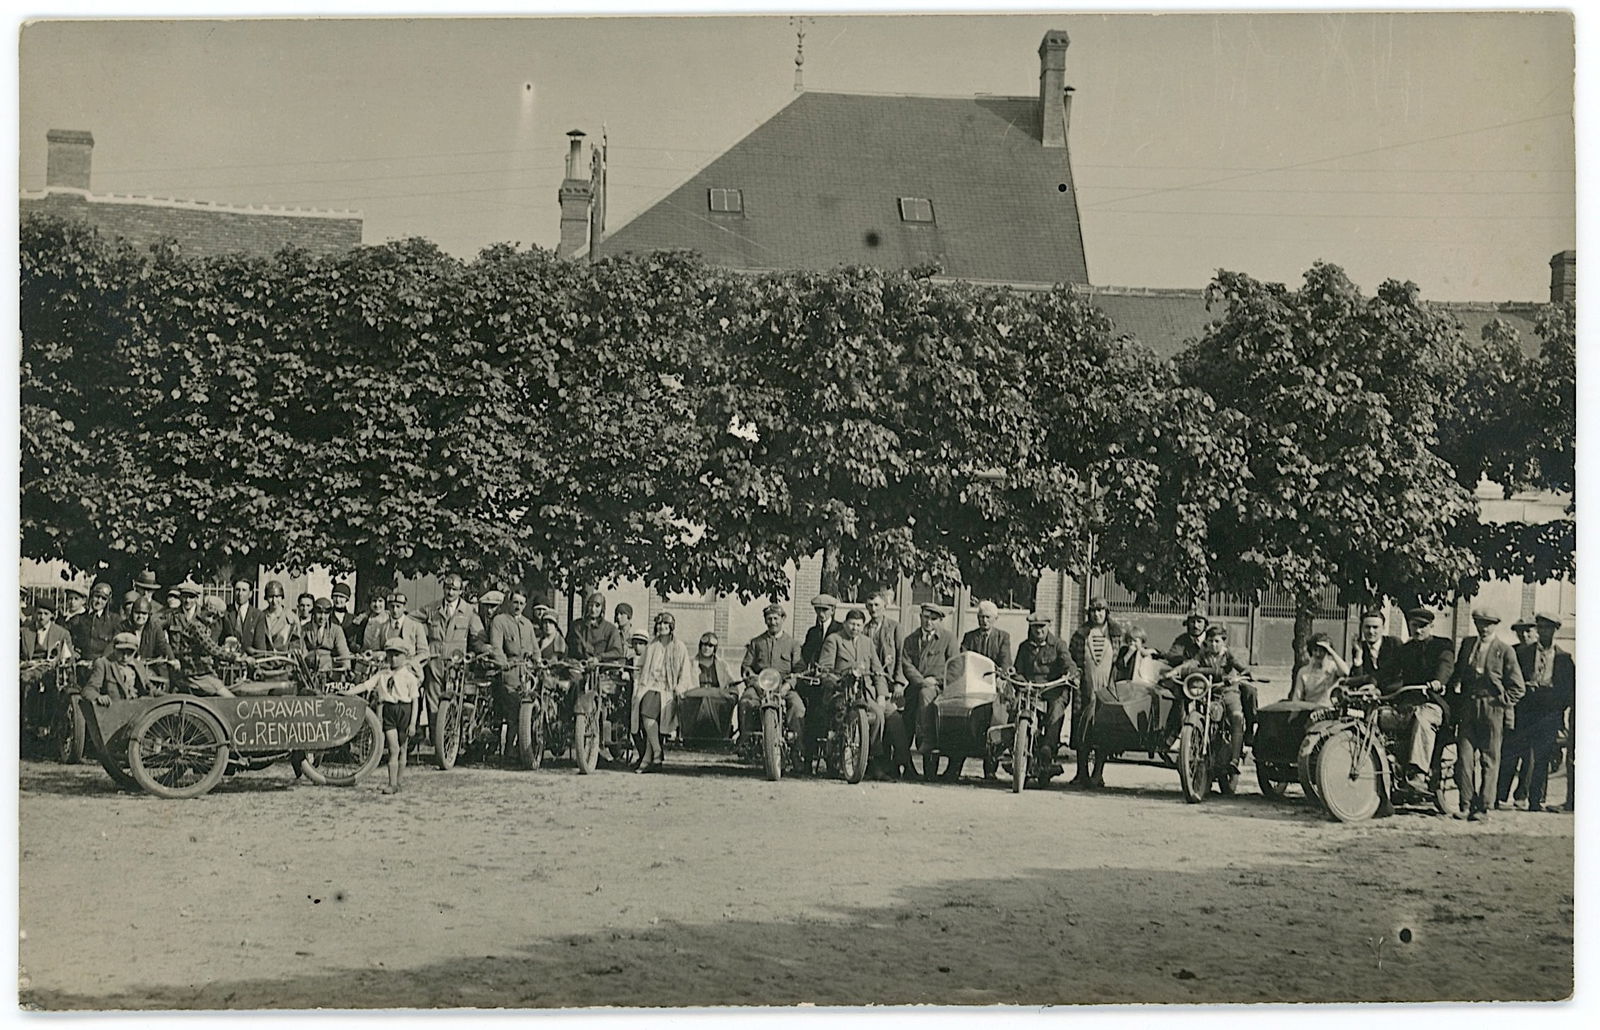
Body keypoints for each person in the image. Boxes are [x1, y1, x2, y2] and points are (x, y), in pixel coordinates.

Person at [1446, 608, 1525, 821]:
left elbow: (1518, 687)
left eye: (1488, 623)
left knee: (1489, 759)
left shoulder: (1505, 650)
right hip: (1468, 706)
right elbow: (1456, 675)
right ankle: (1465, 804)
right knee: (1464, 757)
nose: (1483, 628)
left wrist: (1500, 702)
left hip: (1492, 708)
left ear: (1495, 625)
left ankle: (1485, 807)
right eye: (1480, 623)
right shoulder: (1468, 645)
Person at [818, 607, 900, 779]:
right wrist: (838, 681)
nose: (855, 628)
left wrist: (881, 695)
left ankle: (874, 762)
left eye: (858, 625)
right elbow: (824, 670)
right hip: (841, 691)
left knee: (878, 714)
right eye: (852, 624)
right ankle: (838, 758)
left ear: (863, 626)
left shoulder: (867, 642)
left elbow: (878, 671)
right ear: (845, 624)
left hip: (865, 693)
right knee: (841, 716)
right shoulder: (834, 640)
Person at [1167, 625, 1250, 776]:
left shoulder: (1228, 655)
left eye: (1217, 641)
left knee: (1236, 717)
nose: (1213, 645)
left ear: (1224, 642)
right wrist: (1173, 672)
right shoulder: (1203, 654)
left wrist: (1241, 674)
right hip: (1209, 692)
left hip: (1229, 692)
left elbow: (1241, 667)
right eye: (1210, 641)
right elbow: (1190, 664)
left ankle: (1235, 760)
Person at [344, 637, 422, 795]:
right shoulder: (382, 675)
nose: (393, 659)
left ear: (405, 656)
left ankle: (398, 782)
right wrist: (347, 693)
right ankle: (392, 783)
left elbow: (415, 701)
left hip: (404, 710)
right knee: (393, 748)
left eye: (397, 655)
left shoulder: (409, 677)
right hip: (389, 711)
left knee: (403, 748)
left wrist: (413, 723)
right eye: (390, 655)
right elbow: (365, 685)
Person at [1513, 613, 1573, 813]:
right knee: (1520, 751)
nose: (1543, 632)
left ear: (1555, 630)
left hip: (1549, 713)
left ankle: (1535, 800)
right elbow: (1515, 679)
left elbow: (1568, 691)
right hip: (1527, 710)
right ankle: (1511, 795)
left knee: (1542, 756)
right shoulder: (1523, 653)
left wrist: (1555, 704)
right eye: (1540, 628)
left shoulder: (1564, 658)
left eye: (1548, 628)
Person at [1011, 611, 1077, 781]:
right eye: (1035, 627)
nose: (1038, 630)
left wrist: (1069, 673)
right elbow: (1017, 670)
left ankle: (1048, 747)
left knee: (1056, 710)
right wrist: (1018, 678)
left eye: (1042, 626)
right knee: (1016, 706)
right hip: (1031, 690)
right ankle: (1015, 748)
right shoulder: (1024, 647)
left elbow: (1068, 664)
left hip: (1053, 690)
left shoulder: (1058, 645)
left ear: (1048, 626)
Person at [738, 603, 807, 759]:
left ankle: (797, 749)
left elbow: (799, 669)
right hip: (759, 686)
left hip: (784, 686)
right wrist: (755, 683)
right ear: (765, 621)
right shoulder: (756, 643)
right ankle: (745, 742)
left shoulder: (793, 644)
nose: (773, 622)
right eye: (769, 619)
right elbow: (746, 667)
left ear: (783, 619)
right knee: (746, 702)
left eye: (776, 618)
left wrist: (789, 685)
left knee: (798, 707)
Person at [632, 611, 696, 772]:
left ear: (671, 627)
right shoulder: (652, 646)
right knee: (646, 714)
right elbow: (639, 667)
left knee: (652, 720)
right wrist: (638, 682)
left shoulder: (679, 647)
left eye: (665, 624)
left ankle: (648, 759)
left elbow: (685, 671)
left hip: (669, 689)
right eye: (659, 624)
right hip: (650, 686)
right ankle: (658, 752)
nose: (661, 627)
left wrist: (680, 688)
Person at [1067, 597, 1119, 785]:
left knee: (1104, 729)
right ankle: (1081, 772)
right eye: (1093, 611)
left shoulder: (1115, 634)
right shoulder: (1080, 635)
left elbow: (1121, 661)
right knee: (1082, 728)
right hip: (1084, 688)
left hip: (1107, 687)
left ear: (1106, 612)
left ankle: (1098, 773)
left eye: (1101, 611)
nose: (1097, 614)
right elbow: (1072, 658)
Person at [902, 603, 958, 776]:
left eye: (933, 619)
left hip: (939, 690)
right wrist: (921, 681)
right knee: (904, 725)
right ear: (920, 617)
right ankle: (906, 766)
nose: (928, 622)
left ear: (940, 620)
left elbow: (955, 666)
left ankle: (928, 741)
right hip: (915, 690)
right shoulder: (911, 639)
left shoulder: (948, 639)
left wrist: (936, 681)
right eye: (926, 617)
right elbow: (906, 663)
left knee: (929, 706)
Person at [423, 573, 487, 717]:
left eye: (454, 589)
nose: (450, 592)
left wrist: (478, 650)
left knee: (456, 700)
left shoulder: (469, 611)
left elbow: (478, 638)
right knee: (433, 703)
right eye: (447, 588)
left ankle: (455, 735)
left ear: (460, 591)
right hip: (435, 662)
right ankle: (435, 738)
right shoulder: (432, 608)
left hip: (457, 664)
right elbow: (410, 620)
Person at [165, 583, 236, 698]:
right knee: (229, 698)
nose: (211, 620)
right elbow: (210, 647)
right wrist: (234, 657)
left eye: (191, 597)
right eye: (209, 615)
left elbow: (216, 644)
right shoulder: (193, 624)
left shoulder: (202, 622)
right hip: (194, 672)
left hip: (202, 668)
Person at [20, 598, 76, 739]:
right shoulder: (25, 632)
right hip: (28, 668)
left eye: (45, 613)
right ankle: (27, 726)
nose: (42, 617)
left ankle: (46, 727)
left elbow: (69, 658)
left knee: (51, 687)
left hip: (51, 670)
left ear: (52, 615)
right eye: (39, 613)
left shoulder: (62, 633)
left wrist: (59, 662)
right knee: (25, 681)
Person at [488, 590, 539, 743]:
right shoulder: (500, 621)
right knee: (513, 705)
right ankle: (510, 746)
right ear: (509, 603)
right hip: (509, 671)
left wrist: (538, 660)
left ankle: (526, 746)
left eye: (521, 603)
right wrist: (504, 663)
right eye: (515, 602)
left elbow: (535, 649)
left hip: (527, 673)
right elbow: (496, 647)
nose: (518, 606)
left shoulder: (527, 624)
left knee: (534, 704)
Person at [678, 631, 738, 740]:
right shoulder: (690, 663)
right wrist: (680, 692)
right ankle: (691, 734)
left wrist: (733, 695)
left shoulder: (722, 665)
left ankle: (720, 734)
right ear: (700, 646)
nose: (707, 648)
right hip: (696, 698)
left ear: (715, 648)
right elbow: (683, 681)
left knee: (716, 700)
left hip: (717, 698)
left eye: (710, 646)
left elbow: (732, 683)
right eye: (704, 645)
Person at [80, 632, 158, 704]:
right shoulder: (104, 664)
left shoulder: (138, 665)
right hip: (117, 711)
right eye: (121, 651)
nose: (125, 657)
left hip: (139, 709)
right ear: (114, 649)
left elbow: (150, 688)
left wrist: (167, 696)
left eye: (130, 653)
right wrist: (98, 697)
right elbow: (88, 690)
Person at [1347, 609, 1405, 690]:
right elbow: (1357, 680)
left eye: (1375, 627)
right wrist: (1358, 656)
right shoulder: (1360, 648)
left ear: (1383, 628)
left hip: (1393, 693)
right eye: (1367, 627)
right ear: (1362, 628)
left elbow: (1398, 675)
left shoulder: (1394, 644)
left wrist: (1378, 688)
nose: (1371, 631)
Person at [1287, 632, 1349, 707]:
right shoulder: (1303, 672)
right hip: (1310, 711)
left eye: (1322, 650)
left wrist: (1331, 651)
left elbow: (1346, 672)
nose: (1318, 654)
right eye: (1315, 650)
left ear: (1327, 652)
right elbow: (1297, 698)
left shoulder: (1333, 668)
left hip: (1329, 711)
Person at [67, 582, 122, 665]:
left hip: (104, 665)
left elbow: (115, 644)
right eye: (97, 597)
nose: (99, 601)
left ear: (108, 601)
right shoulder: (78, 619)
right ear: (91, 596)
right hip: (81, 664)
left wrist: (97, 662)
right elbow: (63, 636)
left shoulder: (114, 620)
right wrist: (72, 652)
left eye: (103, 599)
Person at [567, 592, 625, 661]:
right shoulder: (576, 626)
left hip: (601, 667)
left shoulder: (610, 629)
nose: (593, 609)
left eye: (597, 606)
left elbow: (617, 652)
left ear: (602, 608)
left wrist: (599, 657)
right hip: (578, 666)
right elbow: (567, 648)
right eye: (591, 605)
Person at [250, 580, 301, 656]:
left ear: (282, 597)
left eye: (277, 596)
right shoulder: (260, 616)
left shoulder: (291, 618)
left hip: (284, 660)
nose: (274, 601)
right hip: (264, 660)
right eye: (270, 597)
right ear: (266, 598)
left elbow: (296, 644)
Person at [302, 598, 352, 675]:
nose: (322, 617)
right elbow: (302, 653)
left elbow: (344, 653)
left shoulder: (336, 630)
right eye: (319, 613)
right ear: (313, 613)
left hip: (330, 670)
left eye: (326, 613)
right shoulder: (305, 629)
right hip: (309, 670)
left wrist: (346, 669)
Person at [222, 580, 266, 651]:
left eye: (244, 590)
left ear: (250, 594)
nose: (240, 593)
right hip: (228, 658)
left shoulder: (258, 615)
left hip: (250, 659)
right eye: (237, 590)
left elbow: (260, 647)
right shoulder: (225, 612)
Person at [800, 593, 842, 667]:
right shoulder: (812, 632)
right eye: (817, 609)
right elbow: (806, 654)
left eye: (825, 609)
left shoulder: (840, 629)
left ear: (832, 610)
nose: (820, 613)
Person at [347, 592, 386, 657]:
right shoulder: (365, 618)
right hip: (364, 655)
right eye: (374, 601)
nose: (377, 604)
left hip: (381, 656)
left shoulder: (389, 619)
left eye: (380, 601)